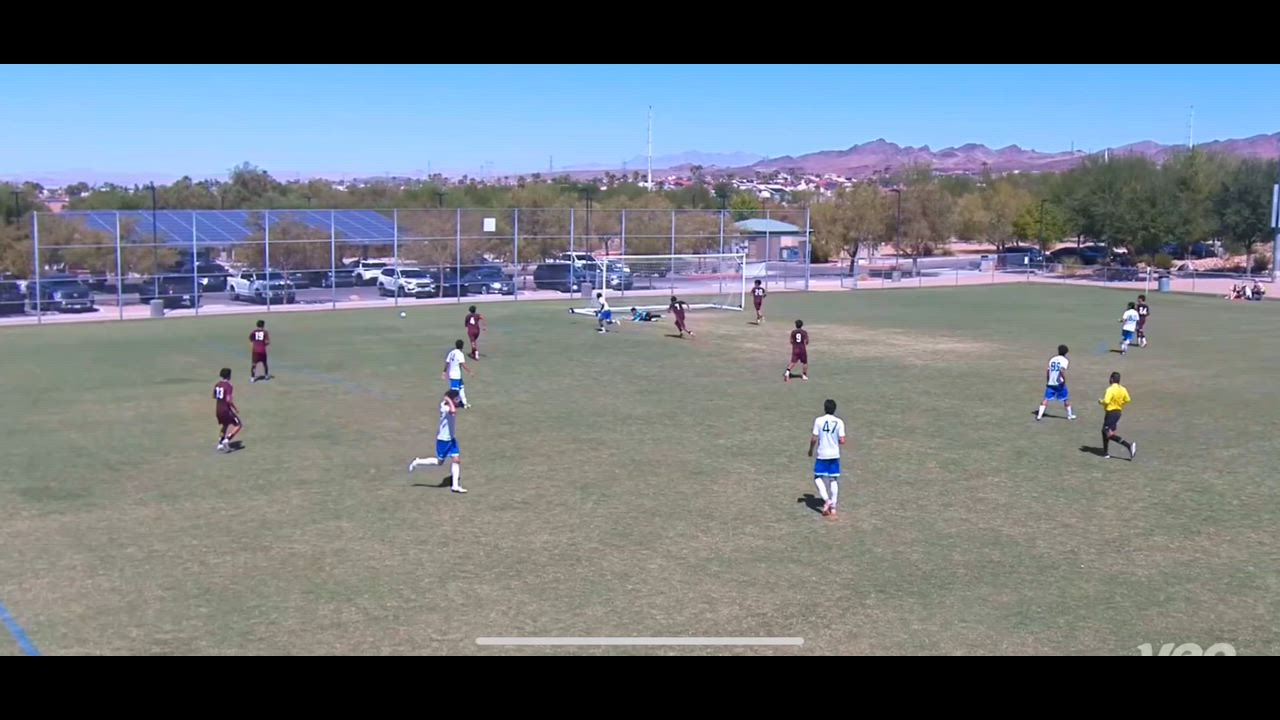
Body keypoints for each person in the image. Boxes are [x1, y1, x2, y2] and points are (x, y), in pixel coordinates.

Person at [408, 389, 467, 493]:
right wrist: (448, 399)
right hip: (443, 440)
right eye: (456, 399)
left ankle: (455, 486)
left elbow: (458, 405)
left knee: (456, 460)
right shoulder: (445, 407)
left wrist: (460, 403)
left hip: (451, 439)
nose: (457, 400)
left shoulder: (449, 404)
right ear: (450, 400)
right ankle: (417, 462)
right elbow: (453, 411)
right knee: (439, 462)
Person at [808, 399, 847, 517]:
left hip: (822, 454)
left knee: (817, 477)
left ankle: (827, 500)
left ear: (825, 408)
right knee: (833, 479)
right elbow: (842, 440)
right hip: (834, 454)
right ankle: (833, 507)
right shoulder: (839, 422)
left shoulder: (819, 420)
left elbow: (814, 438)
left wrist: (811, 450)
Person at [1098, 371, 1135, 460]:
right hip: (1118, 413)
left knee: (1107, 432)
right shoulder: (1123, 389)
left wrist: (1100, 401)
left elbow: (1106, 401)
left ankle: (1128, 445)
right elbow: (1128, 399)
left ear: (1111, 379)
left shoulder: (1110, 389)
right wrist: (1120, 403)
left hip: (1111, 413)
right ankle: (1105, 453)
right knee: (1105, 432)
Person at [1037, 344, 1075, 421]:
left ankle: (1039, 416)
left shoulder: (1052, 359)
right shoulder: (1065, 360)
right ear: (1066, 352)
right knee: (1065, 399)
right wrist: (1064, 380)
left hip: (1051, 383)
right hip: (1060, 383)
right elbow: (1061, 370)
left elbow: (1048, 371)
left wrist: (1048, 381)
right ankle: (1070, 415)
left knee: (1046, 399)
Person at [213, 368, 242, 452]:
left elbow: (215, 396)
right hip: (226, 410)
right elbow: (228, 400)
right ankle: (227, 440)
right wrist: (235, 408)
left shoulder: (217, 384)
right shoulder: (229, 385)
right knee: (238, 425)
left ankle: (220, 444)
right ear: (229, 375)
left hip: (218, 409)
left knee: (225, 425)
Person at [443, 339, 473, 408]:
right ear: (462, 346)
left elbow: (447, 363)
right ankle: (450, 403)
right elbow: (463, 364)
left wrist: (444, 372)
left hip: (455, 375)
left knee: (461, 388)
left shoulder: (451, 352)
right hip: (455, 376)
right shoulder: (460, 354)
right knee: (454, 391)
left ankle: (465, 403)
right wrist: (469, 371)